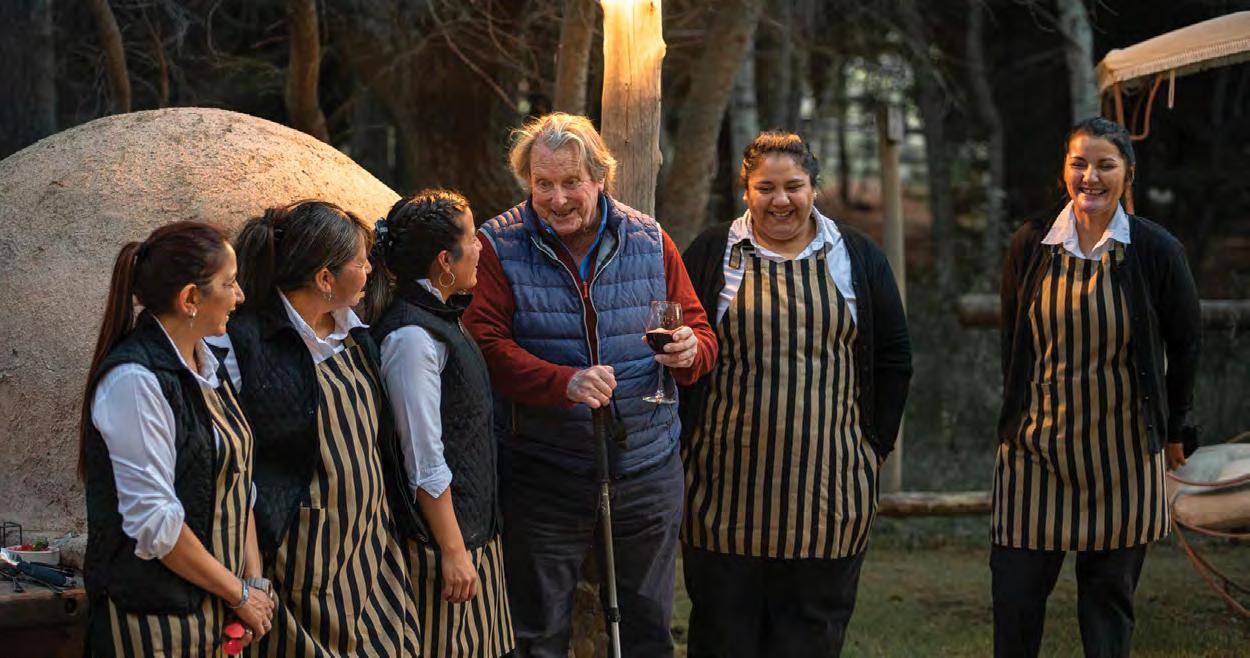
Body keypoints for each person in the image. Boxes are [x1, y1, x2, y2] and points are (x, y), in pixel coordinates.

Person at [463, 112, 718, 657]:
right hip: (543, 473)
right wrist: (563, 383)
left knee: (648, 630)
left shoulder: (651, 240)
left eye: (571, 182)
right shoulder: (497, 245)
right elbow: (484, 346)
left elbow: (700, 333)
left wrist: (690, 350)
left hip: (646, 469)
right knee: (536, 634)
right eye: (543, 184)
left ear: (600, 178)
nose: (557, 199)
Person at [677, 131, 912, 657]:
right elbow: (683, 354)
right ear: (745, 191)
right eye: (765, 188)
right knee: (722, 638)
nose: (780, 200)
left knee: (810, 639)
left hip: (829, 495)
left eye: (793, 186)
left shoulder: (855, 255)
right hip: (722, 495)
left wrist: (873, 447)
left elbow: (895, 358)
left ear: (814, 189)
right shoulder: (714, 253)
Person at [992, 117, 1202, 658]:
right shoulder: (1031, 243)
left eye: (1105, 165)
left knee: (1107, 606)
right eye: (1079, 163)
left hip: (1122, 456)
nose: (1091, 177)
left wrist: (1177, 426)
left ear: (1127, 173)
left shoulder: (1156, 250)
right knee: (1015, 599)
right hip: (1035, 453)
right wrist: (1013, 417)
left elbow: (1186, 345)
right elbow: (1012, 341)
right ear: (1065, 170)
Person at [210, 200, 420, 657]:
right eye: (360, 262)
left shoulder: (356, 335)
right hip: (299, 566)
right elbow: (233, 465)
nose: (370, 269)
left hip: (370, 556)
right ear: (325, 279)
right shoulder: (246, 342)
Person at [81, 221, 274, 656]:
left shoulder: (209, 364)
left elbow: (238, 480)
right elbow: (156, 523)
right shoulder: (134, 380)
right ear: (190, 299)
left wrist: (253, 581)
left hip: (217, 616)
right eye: (229, 283)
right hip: (151, 627)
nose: (240, 296)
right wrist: (239, 594)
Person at [362, 189, 515, 657]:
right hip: (439, 550)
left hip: (471, 537)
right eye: (472, 239)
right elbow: (423, 460)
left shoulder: (440, 314)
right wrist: (452, 550)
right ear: (445, 261)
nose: (481, 247)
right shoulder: (411, 337)